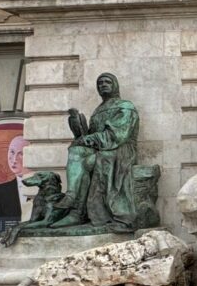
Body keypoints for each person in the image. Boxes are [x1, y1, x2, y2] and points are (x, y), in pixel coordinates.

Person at [51, 73, 139, 232]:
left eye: (107, 82)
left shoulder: (126, 107)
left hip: (120, 149)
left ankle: (79, 211)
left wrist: (87, 139)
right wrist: (77, 127)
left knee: (90, 161)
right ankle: (71, 197)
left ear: (115, 85)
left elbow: (116, 136)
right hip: (103, 147)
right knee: (75, 150)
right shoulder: (98, 110)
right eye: (100, 83)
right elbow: (91, 137)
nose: (103, 85)